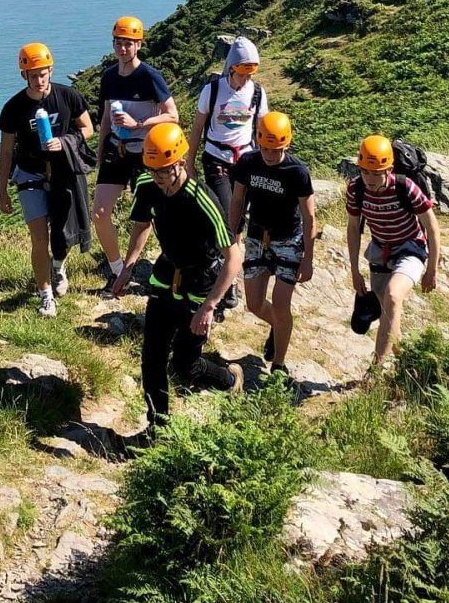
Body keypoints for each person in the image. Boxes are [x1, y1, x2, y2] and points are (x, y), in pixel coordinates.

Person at [110, 124, 244, 428]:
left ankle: (229, 380)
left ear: (181, 163)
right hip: (166, 273)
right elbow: (142, 225)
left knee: (184, 365)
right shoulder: (146, 185)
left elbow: (234, 257)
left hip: (200, 282)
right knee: (152, 358)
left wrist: (210, 306)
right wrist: (128, 268)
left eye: (164, 170)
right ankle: (159, 427)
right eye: (153, 169)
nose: (157, 177)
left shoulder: (202, 200)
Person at [0, 43, 94, 318]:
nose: (39, 80)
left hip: (62, 172)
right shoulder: (14, 107)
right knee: (39, 237)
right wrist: (2, 190)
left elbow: (88, 128)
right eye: (32, 75)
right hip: (29, 174)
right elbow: (5, 151)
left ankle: (58, 266)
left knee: (61, 235)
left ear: (51, 70)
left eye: (43, 74)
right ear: (23, 75)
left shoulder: (68, 96)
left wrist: (63, 142)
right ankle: (46, 295)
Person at [92, 16, 179, 295]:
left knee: (144, 216)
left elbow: (172, 115)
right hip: (116, 150)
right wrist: (101, 144)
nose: (123, 48)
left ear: (139, 45)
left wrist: (139, 125)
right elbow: (106, 115)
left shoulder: (150, 77)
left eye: (129, 43)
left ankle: (129, 268)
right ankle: (118, 269)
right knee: (99, 213)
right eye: (119, 42)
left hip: (145, 153)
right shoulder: (108, 77)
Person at [229, 111, 316, 375]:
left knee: (281, 304)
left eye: (275, 149)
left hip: (288, 240)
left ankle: (279, 364)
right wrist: (233, 235)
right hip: (257, 237)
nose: (269, 154)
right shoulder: (248, 163)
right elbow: (237, 200)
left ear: (286, 144)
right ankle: (279, 328)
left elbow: (309, 217)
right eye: (265, 148)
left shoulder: (297, 172)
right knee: (254, 304)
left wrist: (308, 259)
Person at [186, 35, 267, 312]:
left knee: (237, 221)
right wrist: (189, 161)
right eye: (241, 72)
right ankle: (228, 279)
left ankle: (227, 271)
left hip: (244, 162)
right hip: (216, 159)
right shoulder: (213, 90)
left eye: (249, 74)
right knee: (224, 216)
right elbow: (197, 128)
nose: (245, 79)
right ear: (231, 68)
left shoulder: (257, 93)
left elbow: (261, 131)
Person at [346, 134, 440, 367]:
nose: (369, 178)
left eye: (375, 173)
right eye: (365, 171)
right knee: (389, 311)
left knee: (393, 295)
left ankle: (376, 369)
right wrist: (355, 270)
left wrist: (432, 269)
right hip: (380, 251)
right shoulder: (356, 189)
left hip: (411, 248)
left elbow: (432, 226)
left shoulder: (405, 187)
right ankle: (404, 365)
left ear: (388, 169)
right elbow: (352, 228)